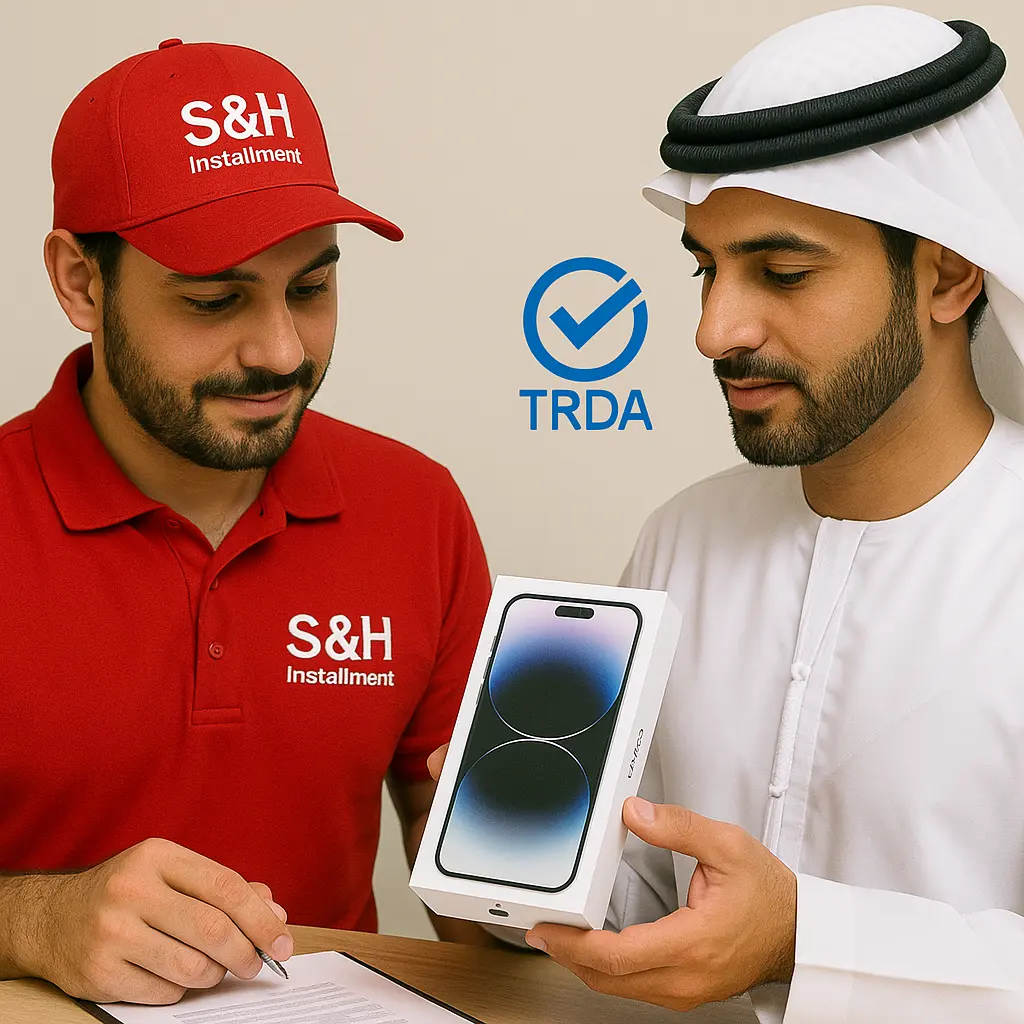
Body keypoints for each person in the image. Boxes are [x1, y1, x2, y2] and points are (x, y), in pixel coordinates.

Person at [513, 8, 1024, 1022]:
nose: (715, 330)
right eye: (706, 269)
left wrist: (804, 939)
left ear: (949, 274)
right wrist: (532, 844)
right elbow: (646, 907)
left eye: (782, 274)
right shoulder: (682, 537)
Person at [0, 38, 490, 1005]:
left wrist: (547, 875)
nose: (280, 352)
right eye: (214, 298)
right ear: (81, 284)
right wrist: (33, 922)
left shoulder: (417, 506)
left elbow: (481, 911)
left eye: (310, 288)